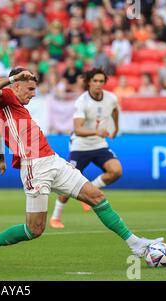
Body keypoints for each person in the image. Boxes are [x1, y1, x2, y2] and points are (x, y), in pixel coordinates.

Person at [0, 67, 164, 266]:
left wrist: (0, 158)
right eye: (30, 89)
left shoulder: (15, 110)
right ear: (16, 85)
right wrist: (11, 79)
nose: (34, 94)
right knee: (34, 230)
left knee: (97, 197)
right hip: (34, 168)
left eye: (35, 89)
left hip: (53, 161)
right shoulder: (6, 97)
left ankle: (135, 243)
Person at [49, 68, 123, 229]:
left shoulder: (111, 98)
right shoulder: (82, 101)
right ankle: (55, 217)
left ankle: (90, 191)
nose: (98, 84)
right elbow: (78, 129)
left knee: (116, 171)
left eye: (101, 81)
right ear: (89, 82)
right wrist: (97, 131)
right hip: (80, 147)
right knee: (67, 184)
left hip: (99, 144)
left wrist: (116, 128)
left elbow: (115, 110)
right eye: (95, 81)